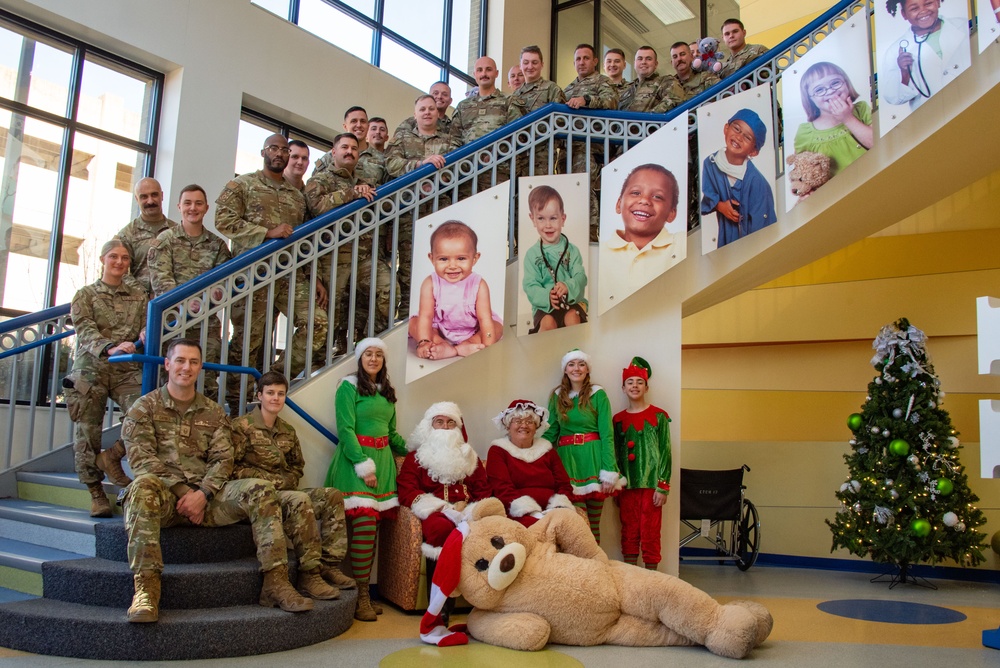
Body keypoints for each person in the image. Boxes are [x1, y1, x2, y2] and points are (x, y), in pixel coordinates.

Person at [122, 339, 312, 623]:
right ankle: (146, 589)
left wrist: (203, 494)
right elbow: (142, 459)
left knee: (260, 489)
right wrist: (186, 491)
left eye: (193, 362)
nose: (186, 367)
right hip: (163, 497)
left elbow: (223, 460)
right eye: (180, 360)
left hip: (209, 500)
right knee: (141, 488)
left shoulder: (214, 412)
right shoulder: (144, 408)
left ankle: (276, 582)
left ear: (200, 368)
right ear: (167, 364)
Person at [215, 133, 328, 414]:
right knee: (247, 341)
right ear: (264, 151)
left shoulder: (296, 197)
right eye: (274, 148)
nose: (279, 153)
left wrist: (313, 277)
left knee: (317, 323)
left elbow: (303, 241)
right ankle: (235, 402)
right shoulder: (243, 184)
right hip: (254, 275)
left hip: (289, 274)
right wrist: (265, 233)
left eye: (283, 150)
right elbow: (223, 220)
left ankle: (271, 381)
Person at [231, 371, 355, 599]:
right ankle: (310, 574)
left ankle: (329, 564)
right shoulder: (241, 427)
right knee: (300, 499)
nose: (275, 398)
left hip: (286, 493)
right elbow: (231, 468)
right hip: (255, 498)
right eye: (270, 393)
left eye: (280, 394)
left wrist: (286, 480)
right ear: (259, 395)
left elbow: (297, 467)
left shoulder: (287, 430)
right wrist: (271, 480)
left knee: (332, 496)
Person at [325, 338, 407, 621]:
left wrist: (417, 453)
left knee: (371, 532)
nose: (373, 359)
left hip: (383, 462)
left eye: (378, 355)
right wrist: (362, 464)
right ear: (360, 358)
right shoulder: (347, 387)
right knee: (363, 525)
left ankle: (364, 594)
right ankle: (360, 595)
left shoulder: (387, 392)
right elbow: (345, 429)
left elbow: (392, 433)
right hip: (355, 461)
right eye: (368, 354)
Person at [66, 239, 147, 514]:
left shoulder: (138, 295)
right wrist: (110, 347)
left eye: (125, 258)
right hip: (91, 370)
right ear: (103, 259)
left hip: (125, 369)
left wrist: (147, 333)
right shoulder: (86, 294)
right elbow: (85, 330)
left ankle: (112, 457)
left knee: (143, 415)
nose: (119, 262)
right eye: (114, 257)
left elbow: (147, 323)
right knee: (88, 431)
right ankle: (96, 492)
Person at [304, 132, 387, 354]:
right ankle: (320, 362)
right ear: (334, 151)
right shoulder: (320, 180)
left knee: (389, 289)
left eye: (354, 148)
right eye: (344, 147)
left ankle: (371, 344)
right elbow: (317, 207)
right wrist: (350, 194)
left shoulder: (365, 183)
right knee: (331, 311)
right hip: (333, 258)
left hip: (364, 257)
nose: (349, 151)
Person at [147, 184, 232, 401]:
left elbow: (225, 284)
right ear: (179, 207)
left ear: (206, 208)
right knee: (166, 384)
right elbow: (160, 281)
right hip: (171, 324)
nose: (192, 208)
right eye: (187, 203)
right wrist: (186, 304)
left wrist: (204, 303)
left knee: (207, 382)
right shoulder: (164, 241)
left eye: (198, 203)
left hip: (206, 325)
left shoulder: (218, 245)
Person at [542, 349, 624, 542]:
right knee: (578, 521)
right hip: (568, 461)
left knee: (593, 523)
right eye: (571, 364)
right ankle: (579, 566)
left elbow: (607, 434)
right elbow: (553, 430)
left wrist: (609, 469)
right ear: (565, 369)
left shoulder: (598, 394)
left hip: (593, 459)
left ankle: (595, 565)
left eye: (581, 364)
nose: (576, 368)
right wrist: (532, 449)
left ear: (587, 369)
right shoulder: (556, 395)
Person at [397, 401, 491, 557]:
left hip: (469, 511)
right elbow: (407, 490)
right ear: (430, 426)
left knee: (490, 526)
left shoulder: (470, 456)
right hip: (437, 513)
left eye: (451, 422)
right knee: (440, 528)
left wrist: (474, 510)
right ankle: (441, 579)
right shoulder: (416, 457)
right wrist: (443, 508)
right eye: (439, 422)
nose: (446, 427)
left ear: (458, 427)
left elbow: (483, 489)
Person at [408, 220, 502, 359]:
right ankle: (441, 344)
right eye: (444, 259)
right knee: (414, 323)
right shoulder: (430, 283)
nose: (452, 266)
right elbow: (426, 316)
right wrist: (424, 341)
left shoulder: (479, 285)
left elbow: (485, 319)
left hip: (473, 331)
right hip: (439, 331)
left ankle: (466, 345)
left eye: (461, 258)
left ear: (475, 258)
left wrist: (488, 347)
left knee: (496, 327)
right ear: (432, 258)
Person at [613, 357, 672, 570]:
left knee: (650, 531)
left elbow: (665, 451)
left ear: (646, 386)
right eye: (630, 382)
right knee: (629, 531)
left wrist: (663, 485)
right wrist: (617, 485)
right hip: (627, 486)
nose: (634, 386)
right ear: (623, 387)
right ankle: (632, 578)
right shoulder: (618, 420)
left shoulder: (659, 416)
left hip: (651, 486)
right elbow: (615, 454)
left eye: (639, 382)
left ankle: (651, 579)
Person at [600, 164, 681, 302]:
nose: (644, 200)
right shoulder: (601, 252)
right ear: (619, 204)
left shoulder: (680, 244)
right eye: (636, 193)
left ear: (671, 213)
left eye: (657, 197)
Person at [486, 399, 573, 528]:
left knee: (573, 528)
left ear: (536, 426)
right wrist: (532, 513)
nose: (524, 425)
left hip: (554, 512)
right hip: (517, 514)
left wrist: (557, 508)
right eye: (518, 421)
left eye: (529, 421)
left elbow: (564, 484)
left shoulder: (548, 451)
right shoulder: (498, 450)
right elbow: (502, 489)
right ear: (508, 426)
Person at [564, 43, 619, 240]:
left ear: (595, 61)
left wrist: (586, 100)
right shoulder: (568, 88)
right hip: (569, 150)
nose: (582, 62)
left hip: (593, 146)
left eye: (586, 58)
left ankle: (590, 232)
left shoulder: (602, 82)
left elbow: (612, 101)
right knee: (573, 190)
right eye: (578, 59)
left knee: (585, 187)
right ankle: (576, 229)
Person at [701, 109, 777, 248]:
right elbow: (707, 196)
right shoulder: (710, 163)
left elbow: (763, 229)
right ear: (726, 128)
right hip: (725, 242)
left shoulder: (757, 183)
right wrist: (720, 206)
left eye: (747, 137)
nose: (739, 137)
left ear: (754, 151)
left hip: (748, 245)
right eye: (736, 129)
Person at [880, 0, 970, 112]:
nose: (923, 11)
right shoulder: (894, 51)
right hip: (933, 117)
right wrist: (904, 74)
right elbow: (894, 98)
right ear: (904, 14)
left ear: (938, 2)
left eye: (928, 3)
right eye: (914, 8)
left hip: (974, 99)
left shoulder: (963, 25)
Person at [522, 185, 587, 333]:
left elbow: (581, 277)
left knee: (572, 317)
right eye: (541, 218)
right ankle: (546, 355)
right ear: (532, 219)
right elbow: (530, 285)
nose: (548, 225)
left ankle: (575, 354)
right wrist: (547, 296)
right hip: (545, 306)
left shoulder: (572, 250)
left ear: (562, 219)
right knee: (548, 323)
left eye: (553, 218)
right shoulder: (532, 255)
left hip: (571, 303)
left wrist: (568, 286)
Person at [793, 62, 873, 178]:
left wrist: (848, 118)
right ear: (810, 99)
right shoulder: (805, 133)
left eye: (835, 83)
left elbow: (876, 143)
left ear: (846, 84)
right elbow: (801, 172)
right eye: (819, 90)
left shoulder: (862, 109)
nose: (830, 91)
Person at [115, 177, 179, 295]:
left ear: (162, 195)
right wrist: (144, 296)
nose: (150, 201)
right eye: (144, 197)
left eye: (154, 195)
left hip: (173, 304)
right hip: (137, 306)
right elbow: (121, 272)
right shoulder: (127, 235)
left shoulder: (177, 231)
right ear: (136, 199)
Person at [513, 45, 567, 176]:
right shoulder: (515, 95)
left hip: (542, 154)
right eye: (526, 62)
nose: (530, 66)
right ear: (520, 65)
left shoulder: (551, 88)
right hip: (519, 154)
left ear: (542, 64)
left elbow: (560, 120)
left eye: (534, 62)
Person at [316, 106, 389, 187]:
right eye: (354, 121)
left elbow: (391, 189)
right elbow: (316, 188)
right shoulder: (329, 157)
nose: (359, 125)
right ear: (345, 126)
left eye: (363, 121)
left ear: (368, 126)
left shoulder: (382, 159)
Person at [618, 46, 683, 113]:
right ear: (634, 63)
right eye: (640, 59)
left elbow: (674, 101)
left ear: (656, 64)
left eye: (648, 59)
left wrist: (646, 118)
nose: (643, 62)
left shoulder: (666, 81)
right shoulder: (626, 89)